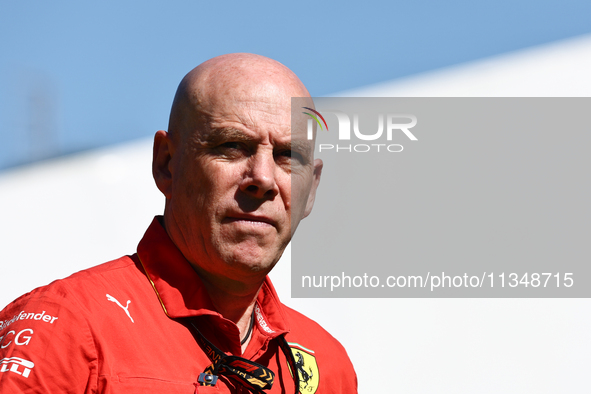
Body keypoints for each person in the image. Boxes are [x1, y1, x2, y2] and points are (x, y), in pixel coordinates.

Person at [0, 53, 357, 393]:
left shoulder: (327, 364)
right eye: (232, 146)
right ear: (166, 165)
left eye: (289, 156)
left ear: (311, 190)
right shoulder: (64, 327)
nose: (262, 179)